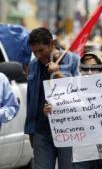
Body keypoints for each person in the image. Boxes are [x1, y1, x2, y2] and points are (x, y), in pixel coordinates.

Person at [25, 27, 79, 169]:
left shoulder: (74, 60)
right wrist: (30, 130)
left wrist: (58, 74)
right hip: (41, 132)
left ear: (51, 44)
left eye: (41, 50)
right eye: (34, 52)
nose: (37, 55)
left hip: (70, 131)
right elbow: (31, 99)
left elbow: (82, 94)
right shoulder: (33, 65)